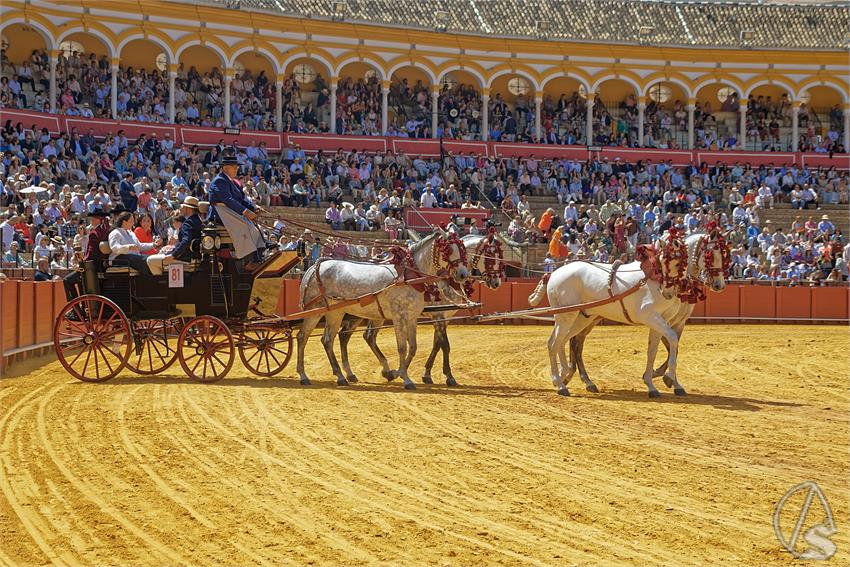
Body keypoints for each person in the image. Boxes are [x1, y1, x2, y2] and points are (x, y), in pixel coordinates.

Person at [208, 149, 265, 264]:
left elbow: (240, 199)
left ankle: (257, 256)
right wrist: (245, 212)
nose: (237, 168)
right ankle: (247, 262)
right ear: (225, 168)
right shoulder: (219, 181)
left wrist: (253, 208)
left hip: (230, 212)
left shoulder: (232, 182)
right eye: (234, 166)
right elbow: (228, 200)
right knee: (244, 226)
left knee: (253, 226)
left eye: (237, 166)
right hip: (221, 213)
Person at [146, 197, 204, 275]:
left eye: (183, 207)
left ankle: (161, 284)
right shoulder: (199, 221)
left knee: (150, 260)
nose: (181, 209)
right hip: (194, 257)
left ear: (188, 209)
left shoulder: (188, 223)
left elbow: (186, 241)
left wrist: (173, 255)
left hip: (185, 258)